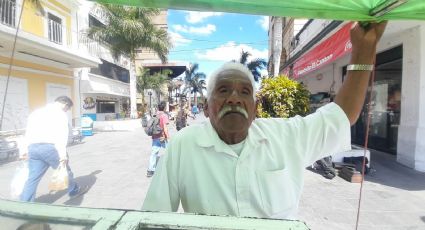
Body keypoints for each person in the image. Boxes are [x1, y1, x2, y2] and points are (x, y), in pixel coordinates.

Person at [142, 22, 387, 219]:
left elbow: (342, 115)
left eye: (245, 92)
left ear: (256, 108)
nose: (235, 99)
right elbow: (154, 216)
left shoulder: (286, 137)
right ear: (205, 108)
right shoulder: (183, 146)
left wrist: (364, 51)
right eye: (224, 90)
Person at [20, 96, 88, 202]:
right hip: (50, 148)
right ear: (65, 104)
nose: (67, 111)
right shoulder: (60, 115)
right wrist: (63, 155)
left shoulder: (36, 113)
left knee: (33, 177)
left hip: (33, 148)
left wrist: (24, 150)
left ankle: (25, 201)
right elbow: (61, 136)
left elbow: (28, 132)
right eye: (68, 108)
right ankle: (74, 190)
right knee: (64, 170)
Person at [147, 101, 169, 177]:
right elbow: (165, 128)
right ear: (164, 107)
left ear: (158, 107)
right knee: (170, 151)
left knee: (153, 153)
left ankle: (150, 170)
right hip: (162, 137)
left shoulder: (155, 114)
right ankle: (170, 168)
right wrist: (168, 137)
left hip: (155, 137)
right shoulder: (164, 116)